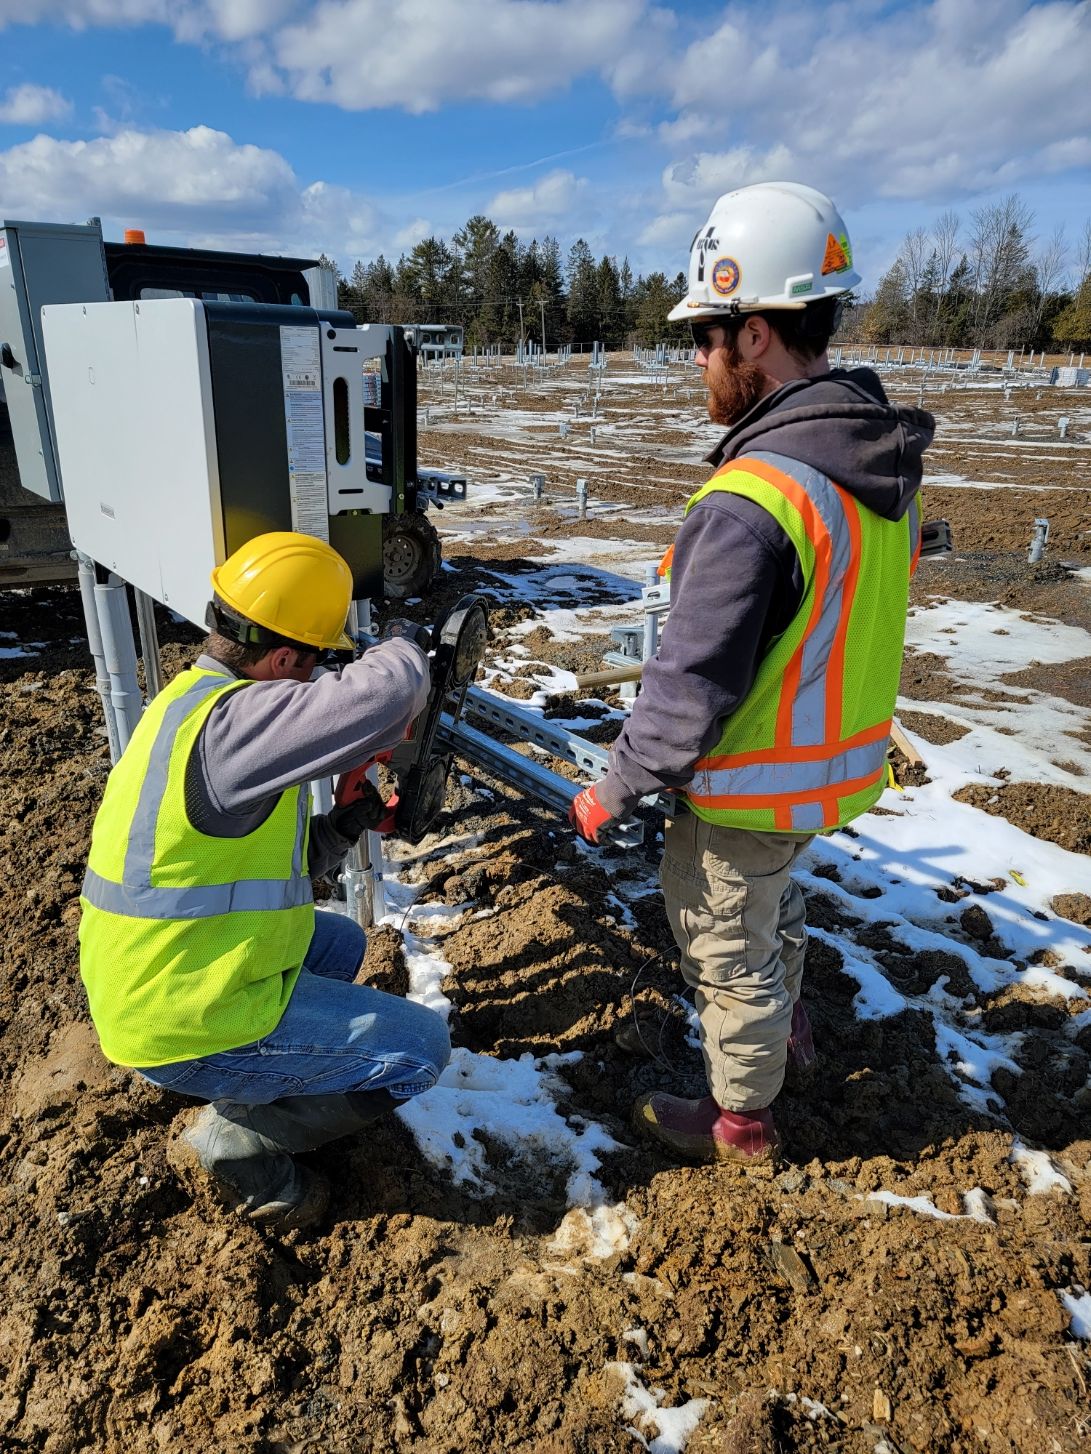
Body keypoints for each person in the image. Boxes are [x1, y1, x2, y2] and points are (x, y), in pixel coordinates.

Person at [569, 182, 933, 1165]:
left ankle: (740, 1122)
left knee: (721, 941)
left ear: (759, 331)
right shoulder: (863, 462)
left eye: (706, 335)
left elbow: (688, 680)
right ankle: (789, 1032)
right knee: (774, 909)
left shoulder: (754, 494)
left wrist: (615, 785)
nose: (695, 358)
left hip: (743, 784)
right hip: (822, 771)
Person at [79, 531, 451, 1230]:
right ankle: (241, 1143)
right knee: (419, 1051)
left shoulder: (191, 703)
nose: (314, 681)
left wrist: (339, 831)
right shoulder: (234, 730)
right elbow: (391, 689)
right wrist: (404, 636)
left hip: (155, 978)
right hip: (183, 1019)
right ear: (282, 658)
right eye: (312, 664)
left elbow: (251, 872)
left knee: (338, 943)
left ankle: (273, 1075)